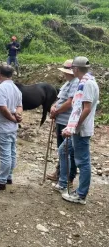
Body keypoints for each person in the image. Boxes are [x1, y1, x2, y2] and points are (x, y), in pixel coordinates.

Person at [57, 57, 99, 205]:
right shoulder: (87, 82)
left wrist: (73, 127)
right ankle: (63, 182)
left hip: (81, 130)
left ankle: (81, 194)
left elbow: (86, 109)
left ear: (75, 69)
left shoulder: (87, 85)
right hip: (78, 128)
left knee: (83, 161)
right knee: (63, 151)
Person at [47, 59, 79, 184]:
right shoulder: (67, 83)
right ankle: (60, 171)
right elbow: (60, 100)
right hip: (61, 119)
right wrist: (53, 106)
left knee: (66, 149)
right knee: (61, 148)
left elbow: (69, 103)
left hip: (67, 121)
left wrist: (57, 111)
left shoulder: (75, 83)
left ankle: (68, 176)